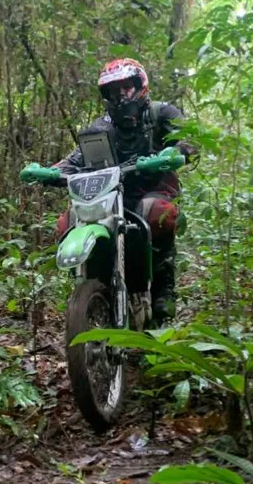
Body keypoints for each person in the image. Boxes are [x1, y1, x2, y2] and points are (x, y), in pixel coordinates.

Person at [23, 58, 194, 323]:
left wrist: (175, 151)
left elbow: (189, 137)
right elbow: (76, 159)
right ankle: (94, 284)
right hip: (108, 196)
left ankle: (163, 289)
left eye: (125, 88)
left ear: (140, 86)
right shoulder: (100, 127)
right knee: (66, 222)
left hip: (152, 189)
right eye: (113, 91)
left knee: (157, 213)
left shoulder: (162, 113)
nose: (120, 96)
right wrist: (51, 170)